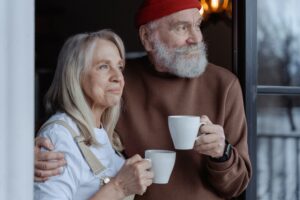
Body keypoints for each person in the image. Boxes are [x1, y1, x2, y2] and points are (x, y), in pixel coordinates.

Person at [34, 0, 252, 199]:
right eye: (182, 27)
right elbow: (68, 124)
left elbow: (236, 186)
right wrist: (29, 154)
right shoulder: (117, 83)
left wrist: (222, 153)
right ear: (147, 38)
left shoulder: (224, 85)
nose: (196, 38)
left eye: (197, 25)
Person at [34, 29, 153, 200]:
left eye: (119, 67)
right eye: (104, 66)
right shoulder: (59, 137)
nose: (118, 76)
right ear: (76, 75)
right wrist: (119, 187)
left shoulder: (103, 133)